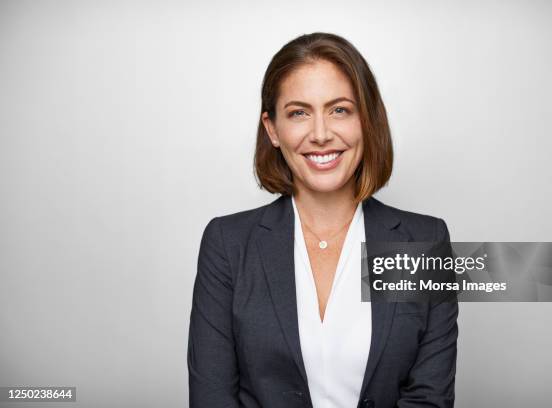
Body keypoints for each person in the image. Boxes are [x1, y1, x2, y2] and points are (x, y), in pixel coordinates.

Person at [188, 32, 459, 408]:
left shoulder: (423, 242)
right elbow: (212, 398)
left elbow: (429, 398)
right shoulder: (228, 244)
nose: (320, 134)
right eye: (299, 113)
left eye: (340, 110)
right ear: (272, 130)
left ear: (367, 120)